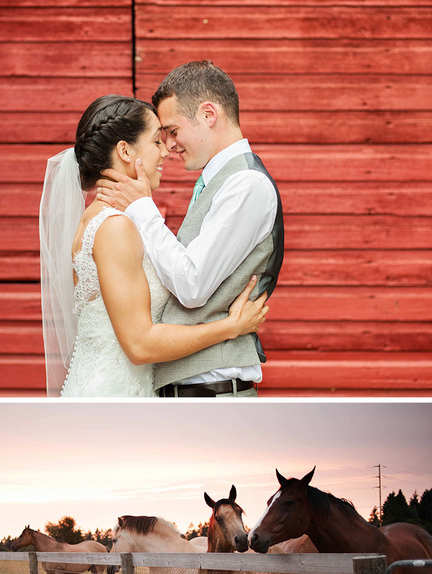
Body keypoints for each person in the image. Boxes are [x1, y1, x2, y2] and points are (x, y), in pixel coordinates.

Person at [39, 93, 269, 397]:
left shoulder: (111, 220)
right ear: (124, 150)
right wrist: (231, 327)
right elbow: (140, 344)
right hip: (114, 401)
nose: (166, 152)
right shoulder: (114, 227)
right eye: (156, 141)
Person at [96, 61, 284, 397]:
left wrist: (141, 207)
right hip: (191, 394)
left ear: (209, 114)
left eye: (173, 130)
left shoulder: (246, 185)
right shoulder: (222, 183)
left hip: (213, 395)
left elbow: (192, 283)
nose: (169, 146)